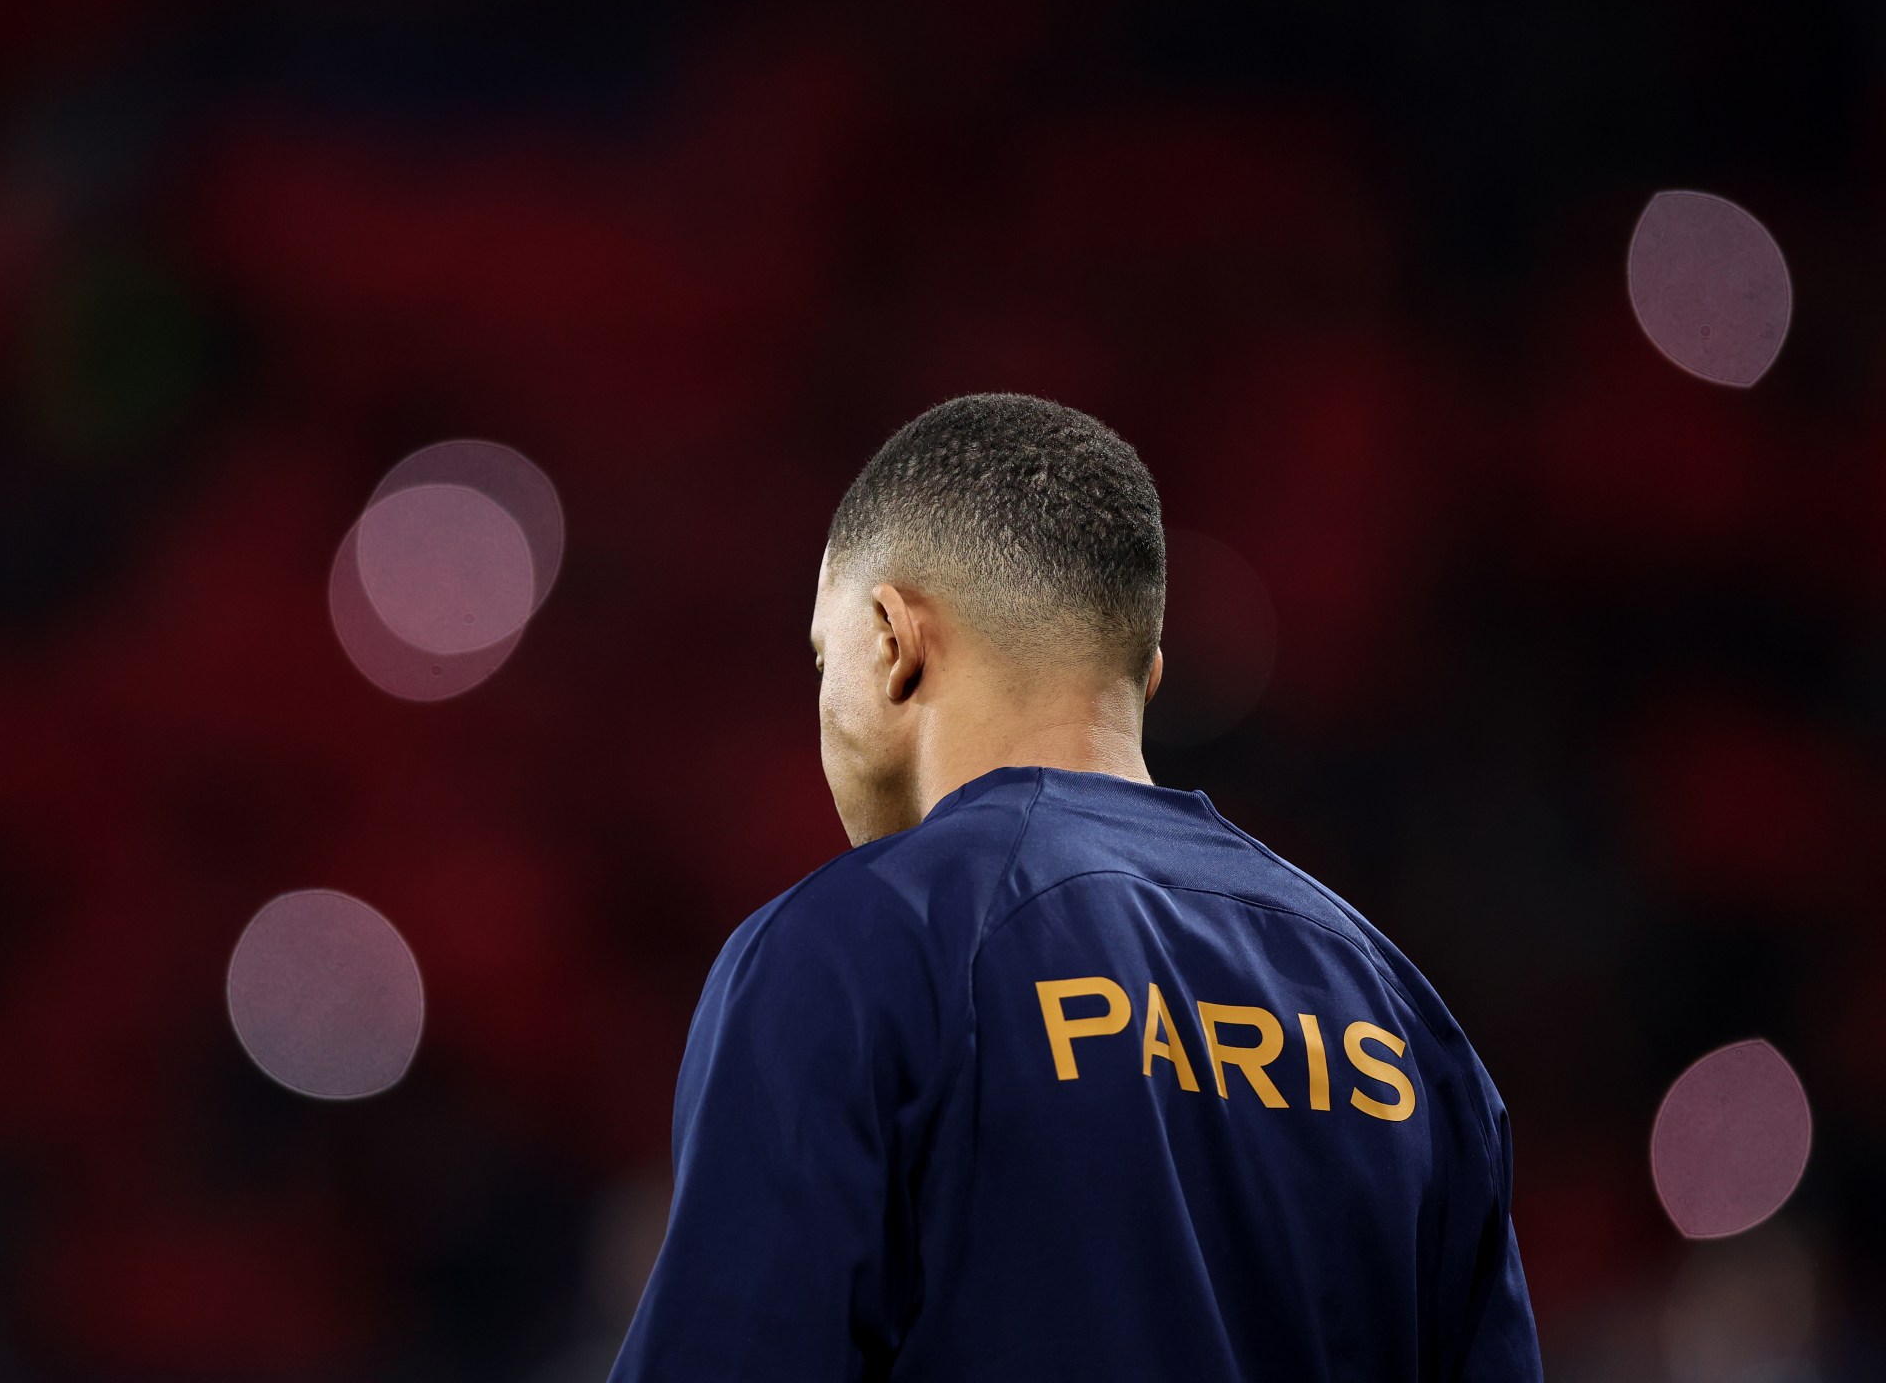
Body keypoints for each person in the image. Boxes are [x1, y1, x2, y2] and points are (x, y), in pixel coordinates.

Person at [606, 393, 1543, 1380]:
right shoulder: (1400, 1015)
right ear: (1148, 673)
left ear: (891, 641)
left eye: (818, 656)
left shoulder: (849, 949)